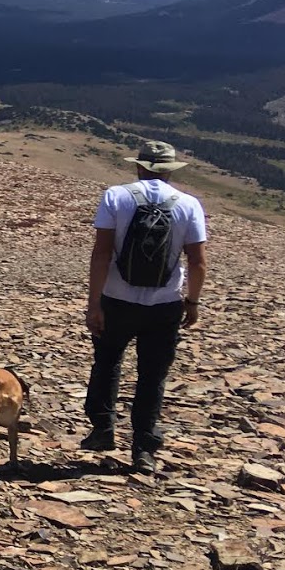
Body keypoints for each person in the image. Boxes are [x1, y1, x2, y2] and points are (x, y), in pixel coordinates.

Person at [83, 140, 207, 475]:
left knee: (107, 361)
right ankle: (144, 448)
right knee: (152, 376)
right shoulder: (189, 204)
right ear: (168, 170)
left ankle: (103, 429)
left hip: (116, 298)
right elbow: (196, 261)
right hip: (164, 304)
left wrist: (94, 303)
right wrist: (192, 301)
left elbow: (101, 254)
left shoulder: (115, 196)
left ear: (138, 166)